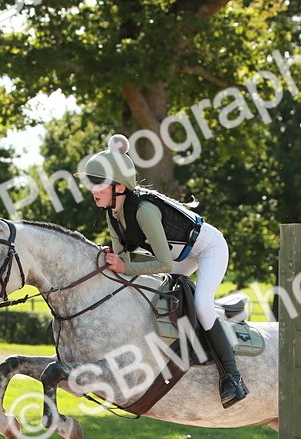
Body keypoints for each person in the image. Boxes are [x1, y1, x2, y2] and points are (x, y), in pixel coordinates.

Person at [76, 133, 248, 408]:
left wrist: (125, 265)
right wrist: (112, 262)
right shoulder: (112, 213)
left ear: (119, 186)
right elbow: (124, 261)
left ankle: (233, 378)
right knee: (153, 291)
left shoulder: (143, 210)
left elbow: (164, 264)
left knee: (202, 305)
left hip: (208, 249)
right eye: (90, 183)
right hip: (178, 256)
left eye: (99, 183)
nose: (92, 189)